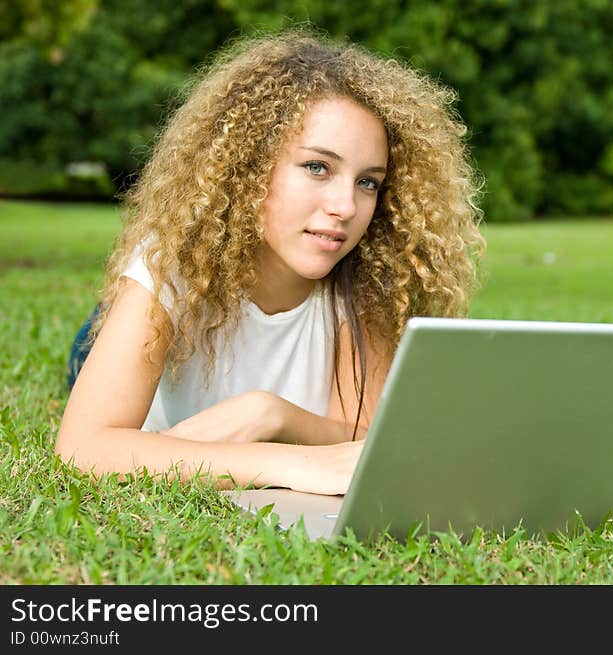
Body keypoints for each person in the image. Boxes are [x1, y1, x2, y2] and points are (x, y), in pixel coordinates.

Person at [55, 28, 485, 496]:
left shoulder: (366, 281)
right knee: (96, 348)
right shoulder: (175, 264)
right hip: (167, 326)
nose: (345, 206)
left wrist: (268, 414)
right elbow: (85, 449)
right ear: (248, 167)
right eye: (317, 167)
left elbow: (366, 435)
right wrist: (286, 464)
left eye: (368, 182)